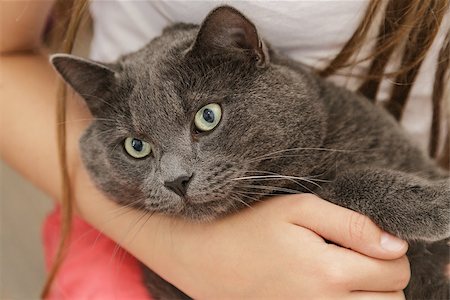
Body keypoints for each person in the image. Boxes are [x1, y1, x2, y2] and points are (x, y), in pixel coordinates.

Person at [1, 0, 448, 299]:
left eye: (204, 120)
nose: (174, 174)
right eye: (138, 147)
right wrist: (183, 252)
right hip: (131, 232)